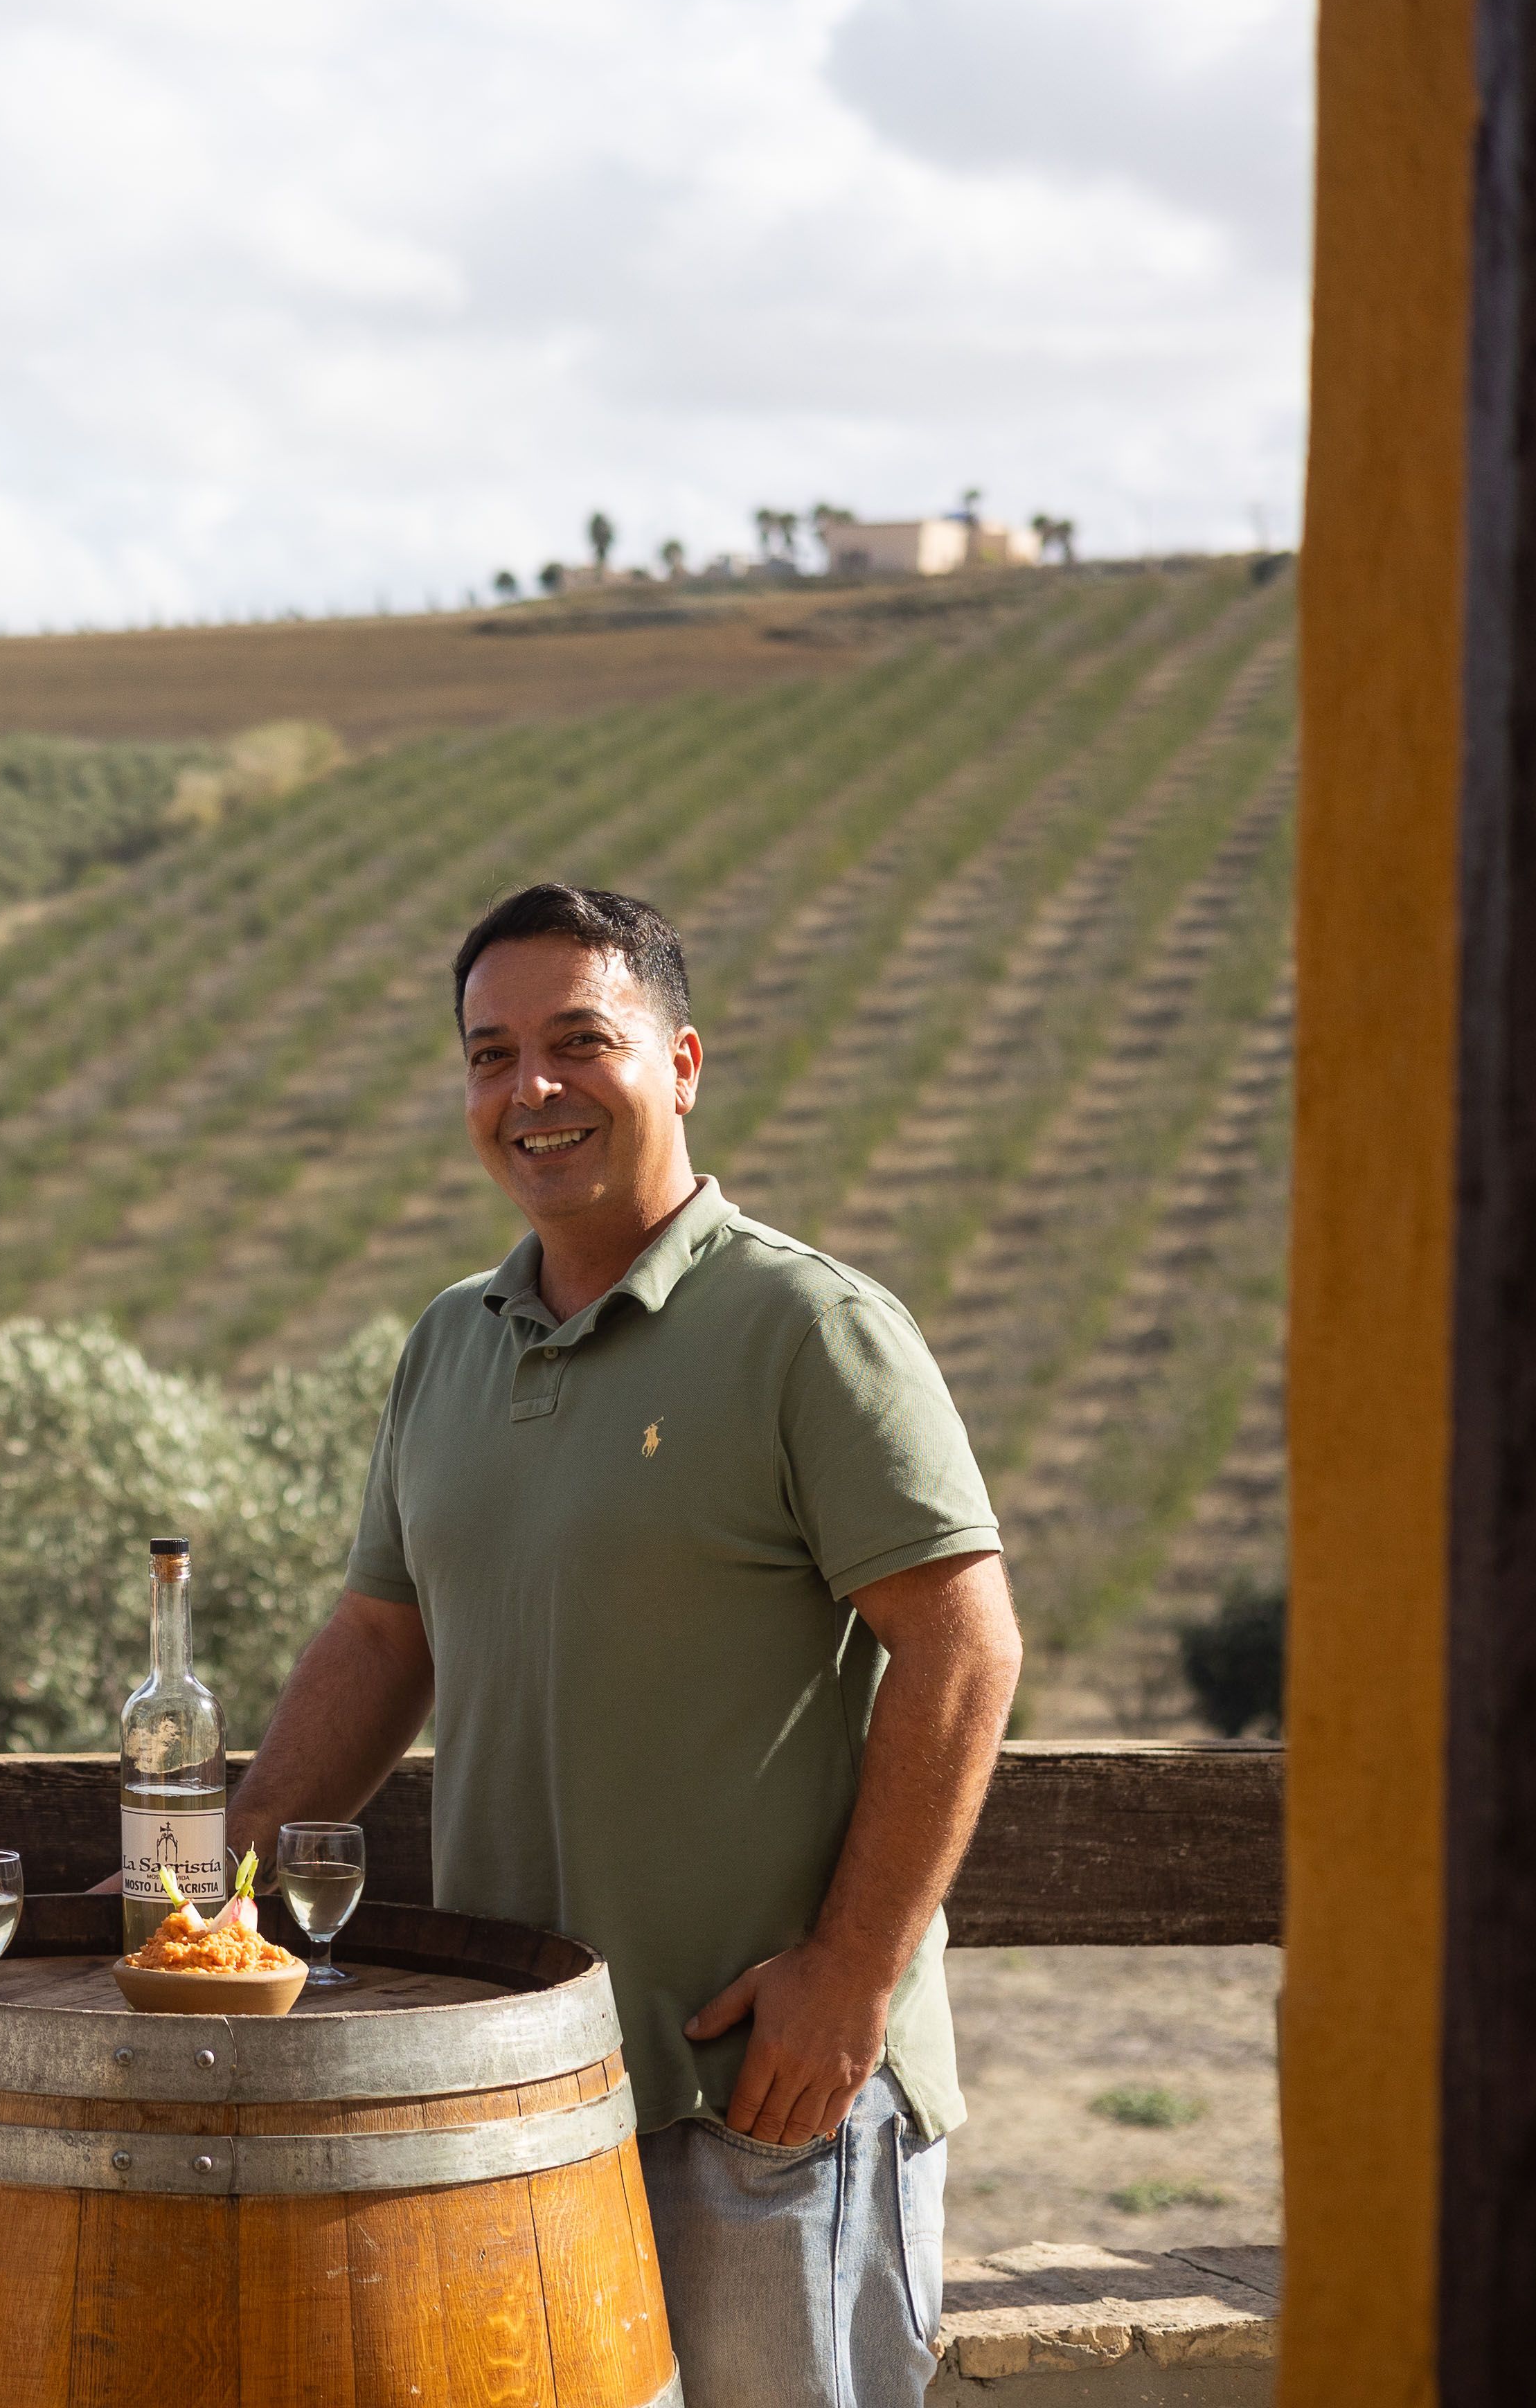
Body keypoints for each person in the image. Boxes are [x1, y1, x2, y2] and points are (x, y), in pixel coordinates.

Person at [229, 881, 1021, 2408]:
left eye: (578, 1042)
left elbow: (966, 1651)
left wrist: (851, 1981)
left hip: (765, 2101)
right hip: (509, 2097)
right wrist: (221, 1885)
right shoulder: (448, 1343)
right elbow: (382, 1639)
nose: (529, 1090)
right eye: (488, 1054)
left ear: (682, 1063)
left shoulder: (813, 1329)